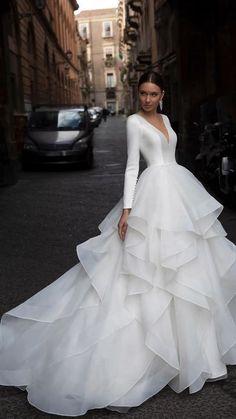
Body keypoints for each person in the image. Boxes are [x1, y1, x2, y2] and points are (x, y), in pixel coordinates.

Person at [0, 71, 236, 417]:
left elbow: (172, 157)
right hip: (152, 193)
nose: (147, 99)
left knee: (189, 268)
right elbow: (130, 167)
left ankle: (198, 356)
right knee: (149, 270)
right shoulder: (134, 123)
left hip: (178, 191)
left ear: (162, 95)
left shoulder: (167, 119)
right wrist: (128, 210)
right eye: (143, 93)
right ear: (137, 94)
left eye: (153, 94)